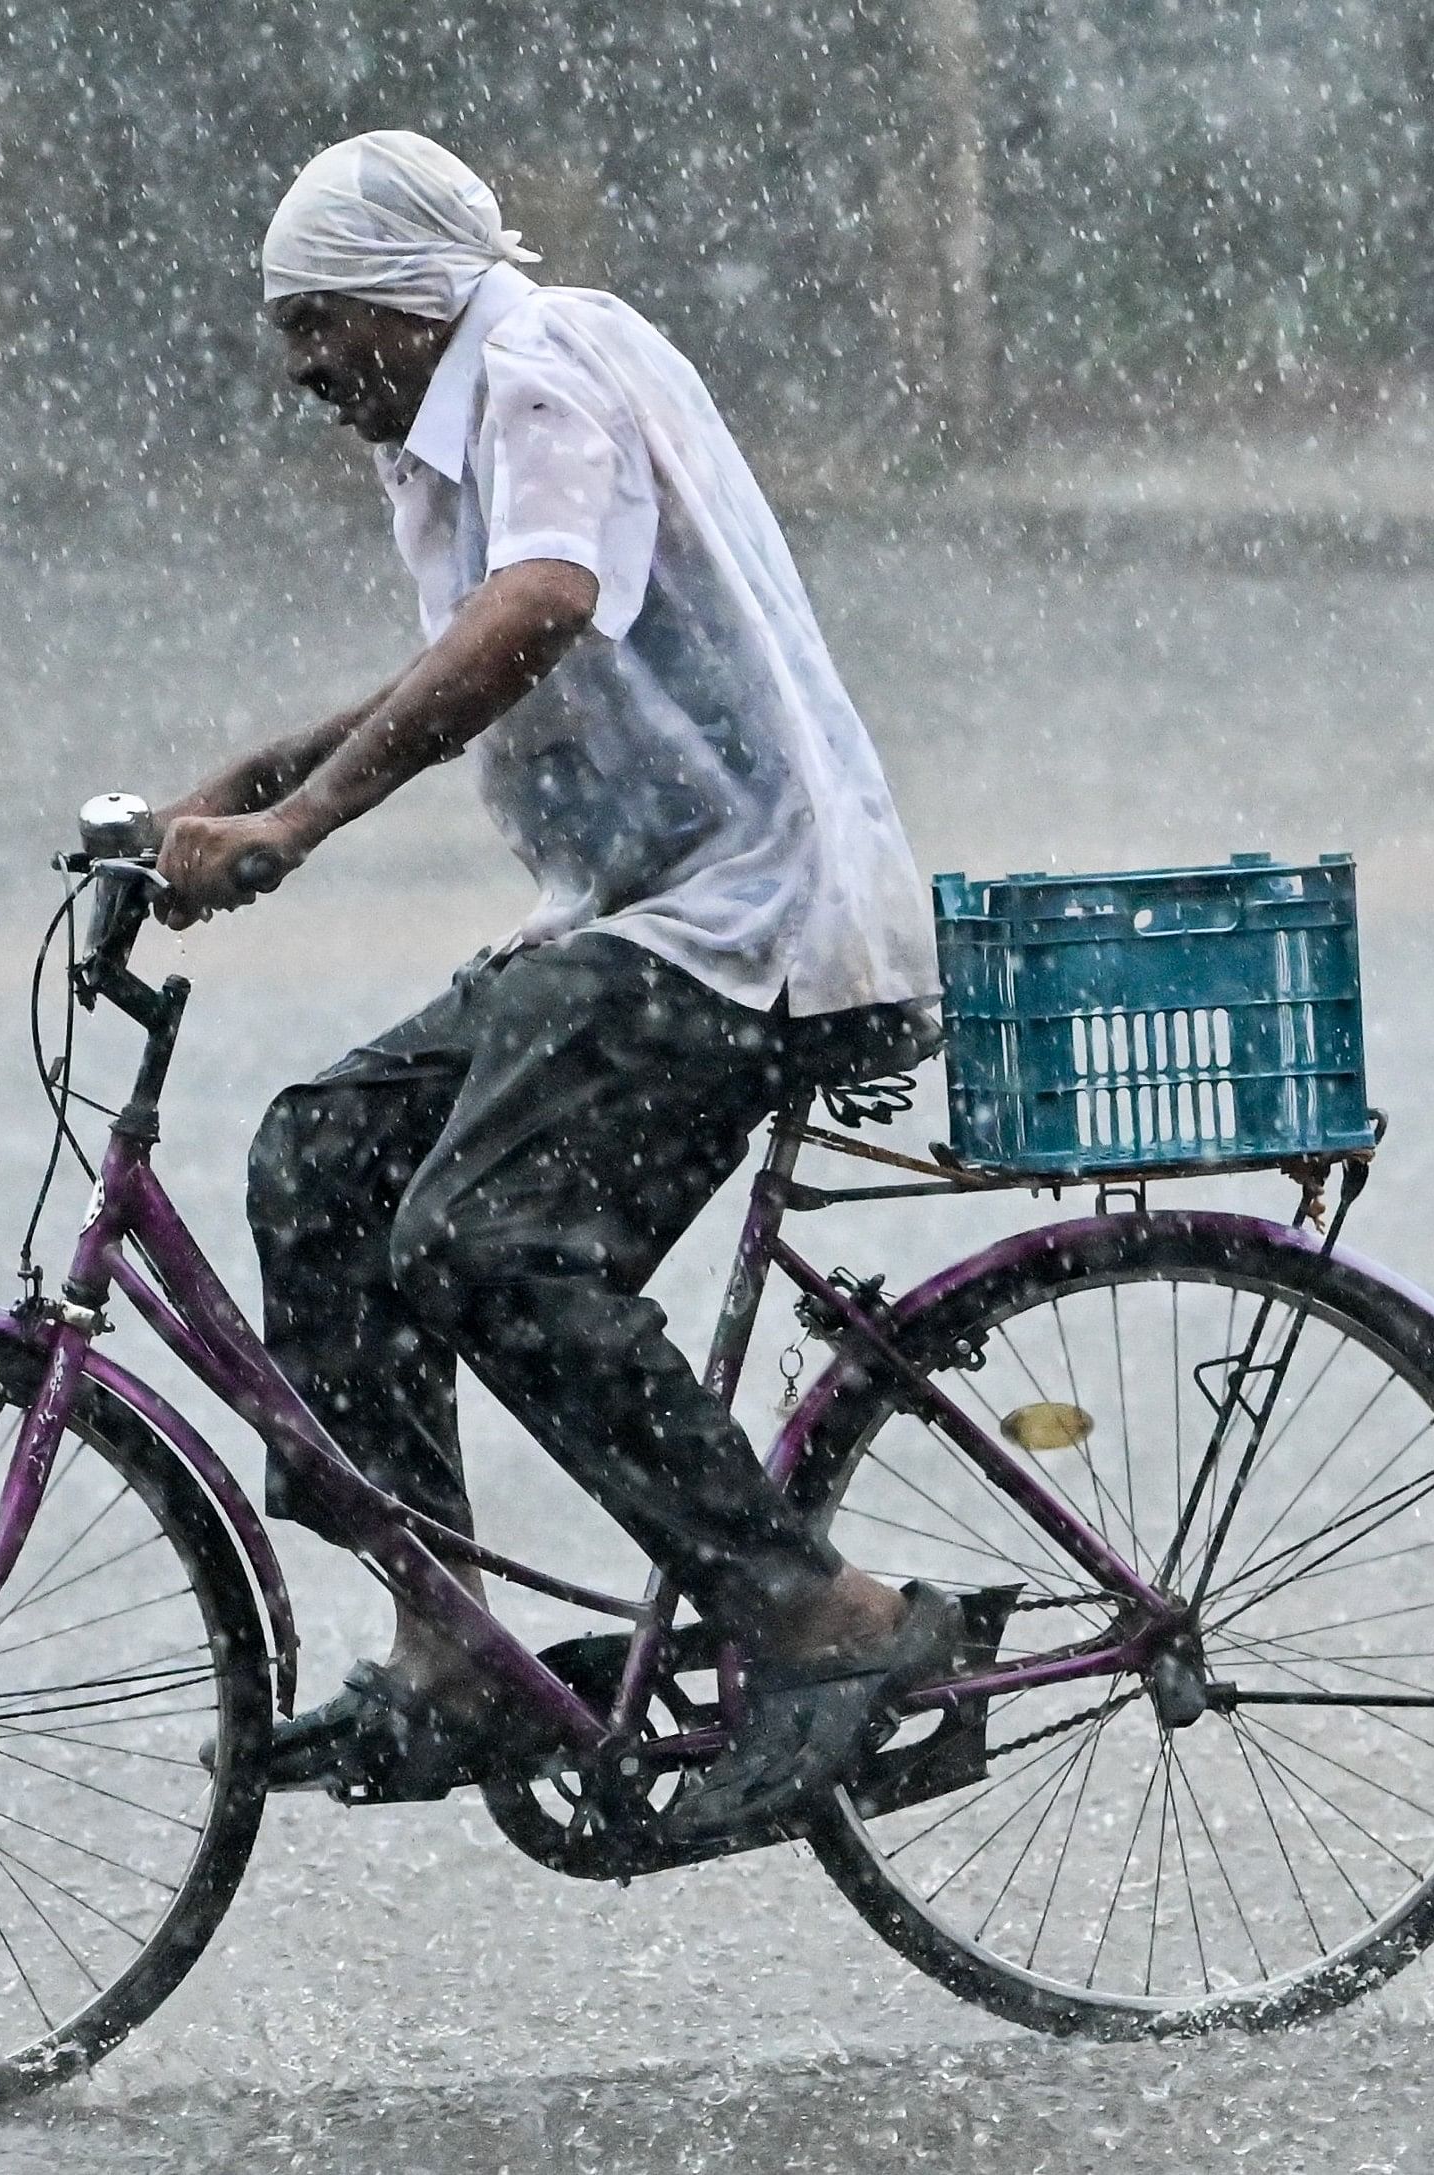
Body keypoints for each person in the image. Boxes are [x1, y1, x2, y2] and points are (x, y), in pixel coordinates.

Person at [151, 131, 957, 1844]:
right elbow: (481, 647)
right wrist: (269, 763)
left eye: (317, 323)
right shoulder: (456, 427)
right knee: (322, 1159)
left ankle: (824, 1617)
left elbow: (538, 610)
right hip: (629, 911)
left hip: (751, 918)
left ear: (408, 300)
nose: (299, 368)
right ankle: (442, 1637)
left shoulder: (536, 361)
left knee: (484, 1244)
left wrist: (301, 819)